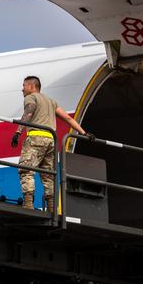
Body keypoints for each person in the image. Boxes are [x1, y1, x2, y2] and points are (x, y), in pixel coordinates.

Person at [11, 75, 87, 210]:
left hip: (35, 138)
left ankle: (28, 204)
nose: (22, 89)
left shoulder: (31, 97)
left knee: (26, 170)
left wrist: (18, 132)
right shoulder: (51, 101)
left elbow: (29, 112)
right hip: (51, 140)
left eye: (24, 86)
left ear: (31, 86)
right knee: (48, 175)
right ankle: (52, 207)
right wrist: (84, 133)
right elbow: (68, 119)